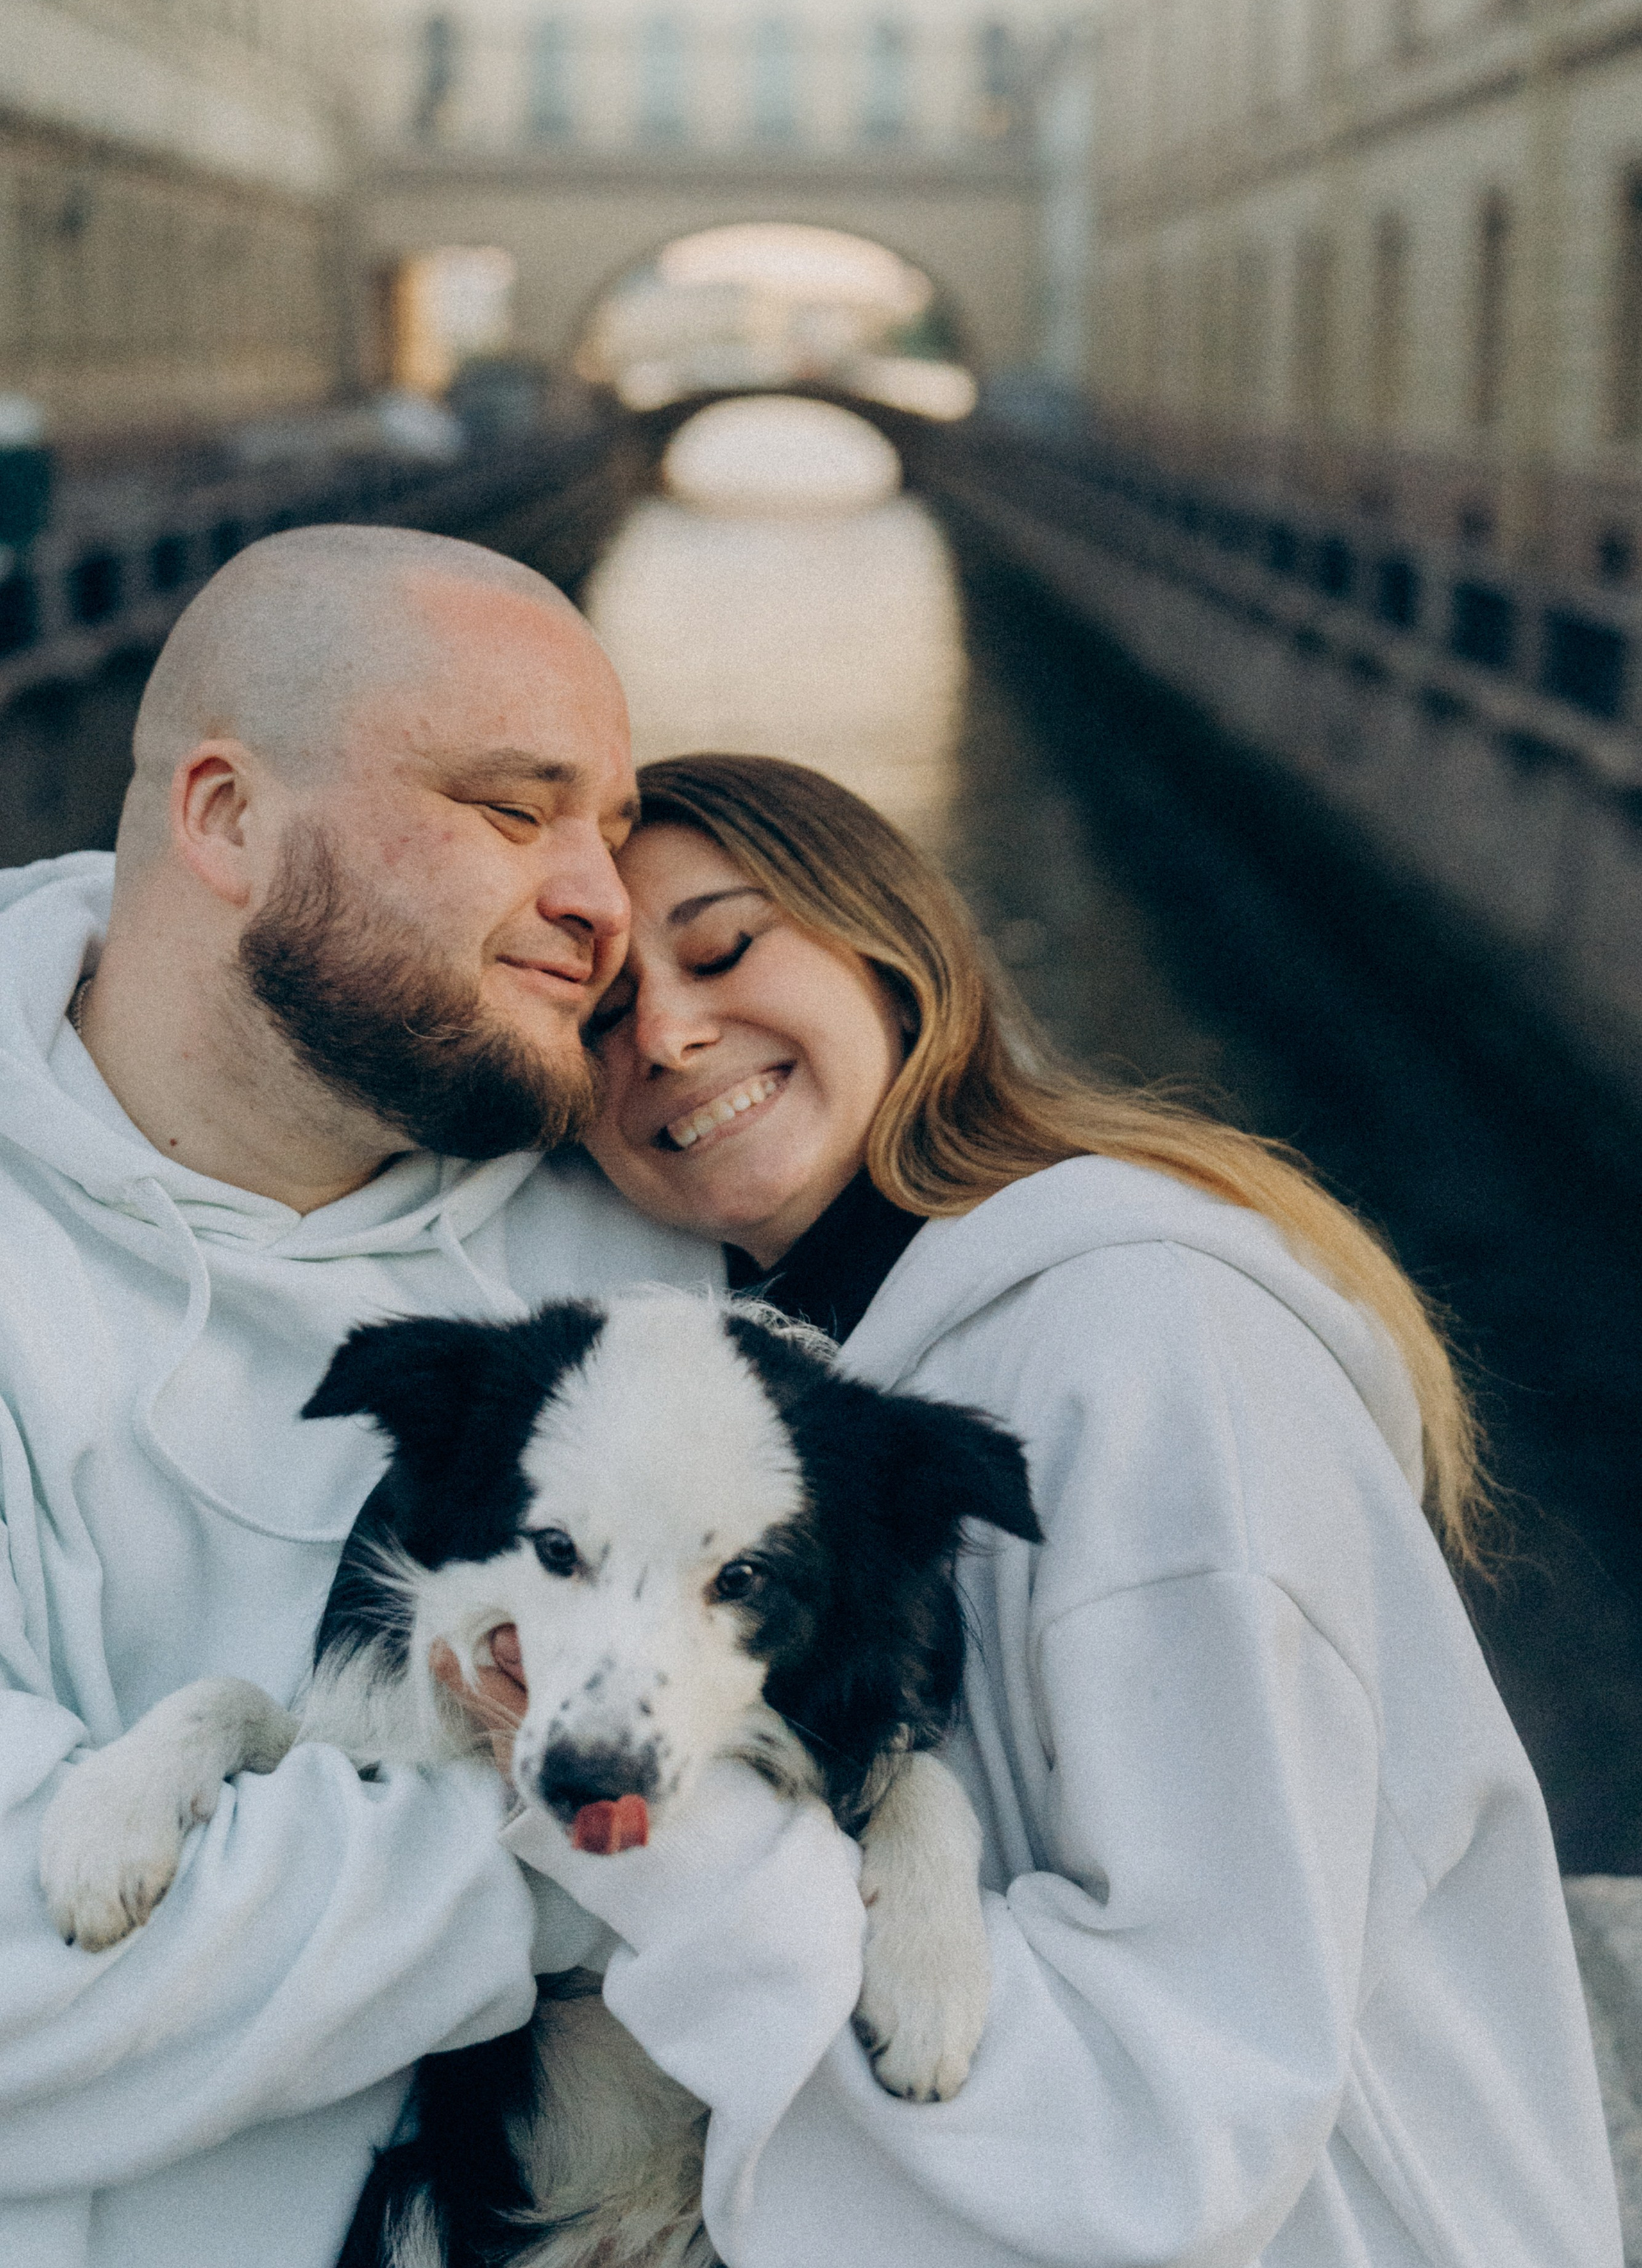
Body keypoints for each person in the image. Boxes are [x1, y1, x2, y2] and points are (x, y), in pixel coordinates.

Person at [478, 750, 1622, 2268]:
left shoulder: (1143, 1339)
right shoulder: (790, 1388)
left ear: (891, 957)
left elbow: (1182, 2112)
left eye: (726, 947)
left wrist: (649, 1830)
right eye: (604, 1015)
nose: (669, 1037)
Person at [0, 526, 719, 2268]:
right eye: (511, 809)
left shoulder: (667, 1239)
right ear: (228, 820)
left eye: (609, 831)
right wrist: (598, 1865)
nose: (604, 905)